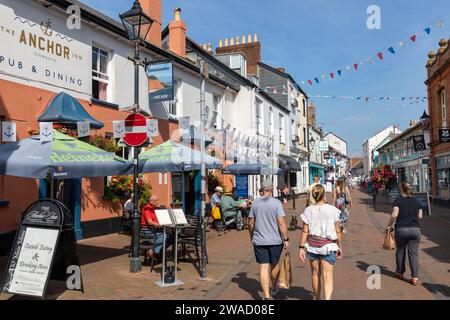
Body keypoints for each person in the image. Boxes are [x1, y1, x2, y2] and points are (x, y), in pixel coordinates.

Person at [298, 184, 343, 300]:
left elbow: (304, 231)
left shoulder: (308, 210)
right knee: (327, 275)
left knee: (315, 273)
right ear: (324, 196)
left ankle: (317, 298)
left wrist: (301, 247)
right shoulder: (333, 210)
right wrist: (339, 246)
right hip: (328, 245)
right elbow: (338, 231)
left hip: (312, 246)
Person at [248, 180, 289, 300]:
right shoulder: (277, 203)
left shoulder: (255, 203)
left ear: (262, 189)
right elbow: (281, 222)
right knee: (274, 264)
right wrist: (286, 238)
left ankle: (266, 296)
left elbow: (250, 223)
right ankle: (274, 287)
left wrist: (251, 235)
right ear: (271, 190)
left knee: (263, 267)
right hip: (275, 240)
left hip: (260, 240)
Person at [385, 182, 423, 286]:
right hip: (415, 230)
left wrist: (389, 225)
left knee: (400, 251)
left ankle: (400, 273)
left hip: (401, 230)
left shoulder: (398, 201)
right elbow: (420, 216)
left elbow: (394, 215)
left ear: (401, 190)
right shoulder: (417, 201)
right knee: (414, 254)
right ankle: (415, 277)